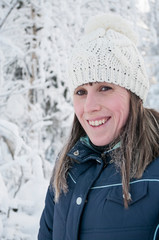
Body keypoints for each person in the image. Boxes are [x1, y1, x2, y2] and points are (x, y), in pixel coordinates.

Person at [38, 13, 159, 240]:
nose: (90, 106)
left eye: (104, 88)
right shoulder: (67, 169)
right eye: (81, 92)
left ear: (134, 96)